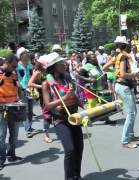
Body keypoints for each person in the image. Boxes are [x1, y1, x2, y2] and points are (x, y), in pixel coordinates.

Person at [41, 52, 84, 180]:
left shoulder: (67, 79)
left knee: (79, 147)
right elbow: (48, 106)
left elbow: (75, 97)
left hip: (74, 117)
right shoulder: (46, 84)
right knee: (70, 149)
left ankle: (77, 175)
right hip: (60, 120)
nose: (64, 64)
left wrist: (85, 108)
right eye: (61, 63)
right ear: (53, 66)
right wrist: (63, 99)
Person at [113, 36, 139, 148]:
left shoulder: (117, 56)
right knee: (131, 113)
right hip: (123, 87)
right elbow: (123, 74)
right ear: (125, 45)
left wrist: (117, 74)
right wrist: (135, 74)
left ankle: (130, 135)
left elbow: (106, 68)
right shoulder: (123, 57)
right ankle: (125, 141)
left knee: (133, 112)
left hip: (122, 86)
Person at [0, 54, 23, 171]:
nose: (15, 68)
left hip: (14, 108)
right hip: (1, 109)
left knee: (14, 135)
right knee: (1, 136)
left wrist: (21, 96)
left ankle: (11, 155)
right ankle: (1, 159)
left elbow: (17, 88)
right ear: (7, 63)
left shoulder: (14, 75)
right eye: (13, 66)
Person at [28, 55, 53, 143]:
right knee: (47, 115)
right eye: (46, 63)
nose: (48, 64)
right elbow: (30, 83)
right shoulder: (38, 72)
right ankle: (45, 134)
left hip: (53, 95)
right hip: (44, 96)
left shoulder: (50, 71)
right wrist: (42, 86)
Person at [16, 47, 34, 138]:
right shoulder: (17, 66)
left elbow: (33, 76)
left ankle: (29, 126)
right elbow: (16, 79)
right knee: (25, 110)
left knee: (30, 110)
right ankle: (28, 129)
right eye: (24, 54)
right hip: (22, 90)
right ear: (20, 56)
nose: (26, 55)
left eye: (27, 54)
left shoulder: (31, 65)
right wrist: (20, 88)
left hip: (31, 89)